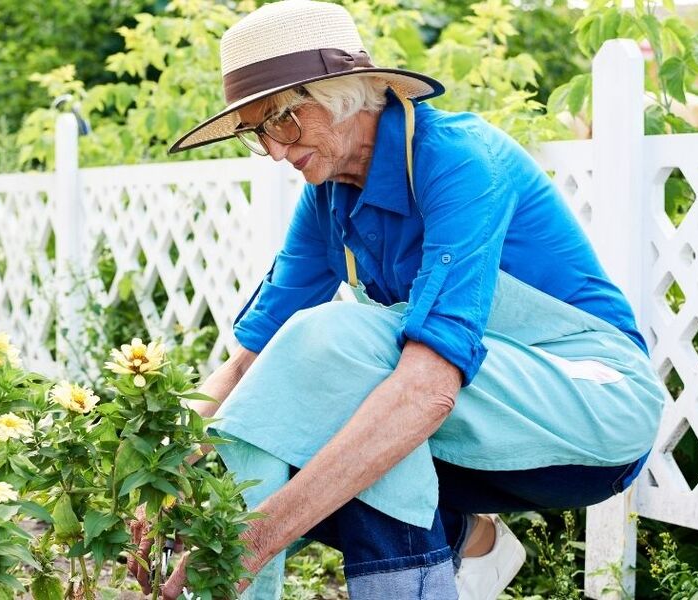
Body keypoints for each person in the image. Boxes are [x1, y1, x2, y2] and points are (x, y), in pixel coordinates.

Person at [130, 1, 665, 598]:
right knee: (312, 396)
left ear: (340, 92)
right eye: (258, 133)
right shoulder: (329, 196)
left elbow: (427, 389)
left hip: (594, 410)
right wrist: (168, 477)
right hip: (473, 417)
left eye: (279, 121)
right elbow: (251, 363)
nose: (275, 150)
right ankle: (468, 545)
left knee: (338, 344)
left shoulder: (459, 160)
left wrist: (248, 547)